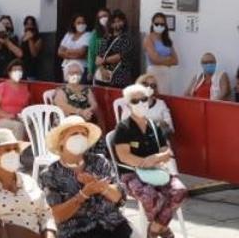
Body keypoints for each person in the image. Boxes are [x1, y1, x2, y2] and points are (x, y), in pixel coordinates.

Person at [114, 84, 188, 238]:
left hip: (156, 171)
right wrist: (144, 162)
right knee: (151, 196)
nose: (141, 103)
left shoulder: (154, 126)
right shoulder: (124, 128)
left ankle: (154, 230)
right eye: (135, 101)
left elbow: (166, 151)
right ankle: (163, 229)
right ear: (128, 105)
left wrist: (155, 159)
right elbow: (123, 156)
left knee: (180, 191)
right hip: (131, 174)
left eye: (143, 99)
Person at [39, 116, 131, 238]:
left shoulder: (99, 162)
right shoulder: (50, 174)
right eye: (75, 134)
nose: (80, 137)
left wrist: (103, 188)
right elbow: (57, 215)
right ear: (61, 141)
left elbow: (119, 198)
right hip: (77, 231)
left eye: (84, 134)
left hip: (113, 225)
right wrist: (83, 194)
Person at [55, 61, 105, 133]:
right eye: (71, 73)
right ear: (66, 75)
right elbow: (62, 106)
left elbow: (94, 104)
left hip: (85, 120)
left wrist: (88, 111)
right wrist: (81, 112)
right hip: (68, 124)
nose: (75, 75)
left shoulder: (86, 90)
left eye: (77, 73)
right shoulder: (61, 91)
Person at [122, 74, 175, 139]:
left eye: (153, 85)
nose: (149, 87)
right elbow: (124, 126)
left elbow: (170, 127)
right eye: (145, 84)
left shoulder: (160, 104)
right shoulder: (132, 103)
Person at [0, 59, 31, 141]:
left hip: (18, 118)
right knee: (19, 126)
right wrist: (8, 116)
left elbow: (26, 107)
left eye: (20, 70)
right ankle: (16, 151)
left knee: (33, 122)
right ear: (9, 73)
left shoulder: (25, 88)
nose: (18, 72)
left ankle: (36, 150)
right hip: (2, 119)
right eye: (15, 70)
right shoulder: (3, 86)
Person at [95, 9, 135, 88]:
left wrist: (103, 60)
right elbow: (98, 57)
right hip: (103, 77)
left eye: (119, 21)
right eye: (114, 22)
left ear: (124, 21)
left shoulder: (127, 39)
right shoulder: (106, 38)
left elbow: (120, 56)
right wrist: (102, 70)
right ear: (110, 24)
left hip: (120, 78)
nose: (117, 24)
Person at [143, 12, 180, 95]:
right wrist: (168, 60)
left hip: (166, 74)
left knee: (167, 97)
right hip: (153, 74)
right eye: (157, 23)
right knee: (154, 96)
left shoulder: (167, 40)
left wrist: (161, 59)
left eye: (162, 24)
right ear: (152, 24)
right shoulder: (148, 38)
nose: (159, 26)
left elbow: (176, 60)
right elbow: (154, 59)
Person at [87, 8, 110, 84]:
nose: (103, 18)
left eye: (105, 16)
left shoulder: (115, 31)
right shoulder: (95, 34)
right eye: (100, 17)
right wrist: (90, 71)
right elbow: (91, 53)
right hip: (99, 70)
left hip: (115, 69)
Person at [21, 16, 44, 80]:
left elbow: (34, 54)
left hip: (32, 67)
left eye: (31, 24)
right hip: (23, 66)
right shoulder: (23, 37)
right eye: (27, 24)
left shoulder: (38, 38)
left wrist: (30, 39)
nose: (29, 26)